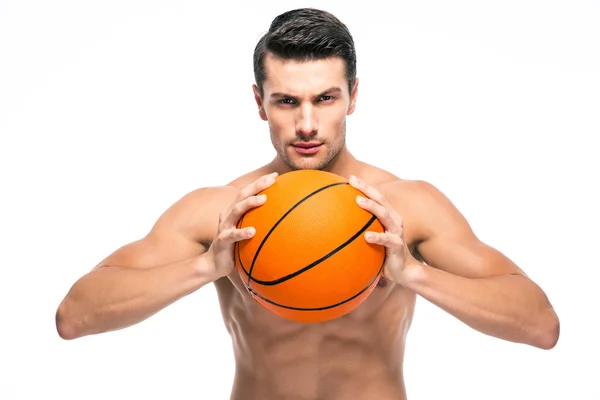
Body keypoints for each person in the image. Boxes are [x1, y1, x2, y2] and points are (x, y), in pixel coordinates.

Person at [55, 8, 560, 400]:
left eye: (325, 98)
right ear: (260, 102)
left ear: (353, 96)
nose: (307, 126)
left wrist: (414, 275)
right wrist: (206, 266)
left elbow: (541, 325)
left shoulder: (408, 207)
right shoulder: (223, 210)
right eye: (287, 101)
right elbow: (75, 316)